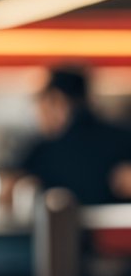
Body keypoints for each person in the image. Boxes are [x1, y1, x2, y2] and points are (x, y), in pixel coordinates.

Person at [12, 67, 131, 206]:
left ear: (56, 100)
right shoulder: (122, 137)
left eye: (41, 103)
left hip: (62, 226)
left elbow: (10, 187)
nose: (38, 113)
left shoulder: (45, 151)